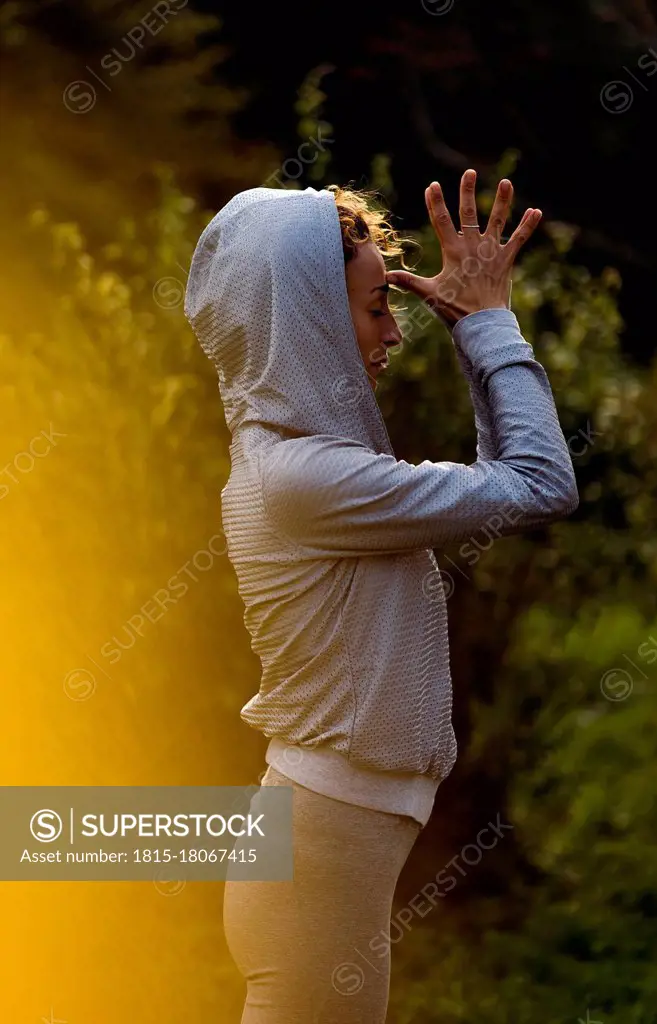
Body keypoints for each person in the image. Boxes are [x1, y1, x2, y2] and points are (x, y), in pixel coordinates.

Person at [183, 169, 579, 1023]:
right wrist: (489, 327)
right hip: (316, 859)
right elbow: (540, 481)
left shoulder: (297, 464)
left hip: (320, 854)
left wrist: (478, 336)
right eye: (373, 309)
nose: (393, 332)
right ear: (310, 324)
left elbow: (505, 480)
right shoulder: (304, 480)